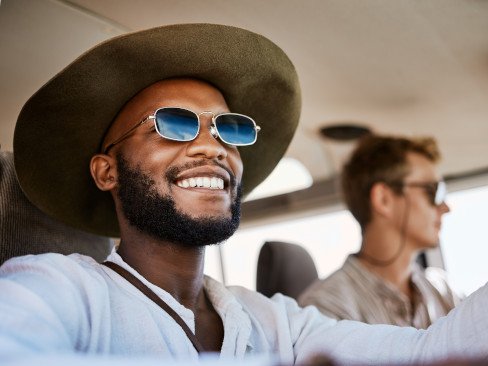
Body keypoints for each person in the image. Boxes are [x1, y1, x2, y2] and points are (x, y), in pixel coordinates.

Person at [1, 23, 488, 365]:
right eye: (174, 123)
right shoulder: (60, 287)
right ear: (107, 171)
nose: (213, 146)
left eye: (228, 129)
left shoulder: (273, 321)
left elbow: (430, 352)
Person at [299, 135, 460, 328]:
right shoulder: (326, 310)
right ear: (384, 199)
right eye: (433, 191)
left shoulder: (443, 291)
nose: (445, 207)